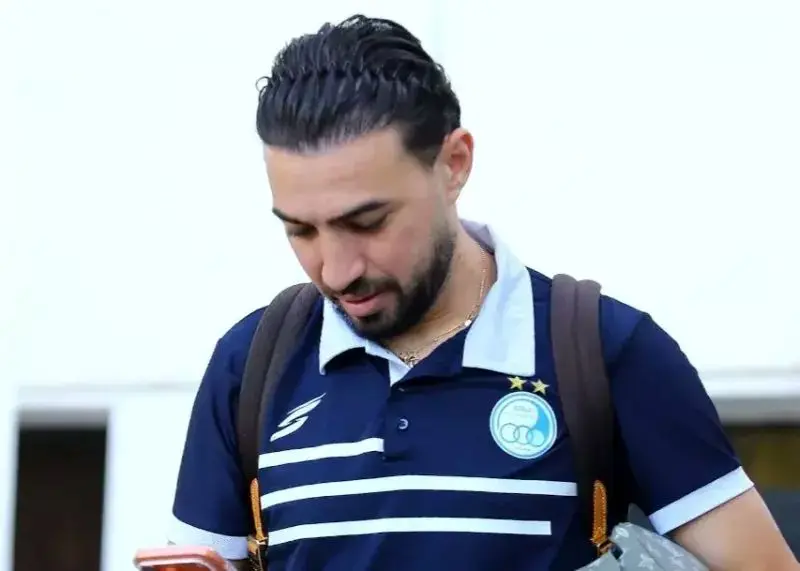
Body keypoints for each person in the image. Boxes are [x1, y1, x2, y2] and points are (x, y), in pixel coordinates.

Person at [167, 14, 799, 571]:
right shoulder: (250, 365)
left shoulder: (608, 353)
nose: (335, 270)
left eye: (368, 222)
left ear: (454, 164)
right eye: (301, 230)